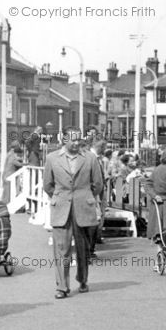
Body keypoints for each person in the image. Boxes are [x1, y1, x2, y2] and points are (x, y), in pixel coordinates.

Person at [43, 127, 104, 299]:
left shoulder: (90, 158)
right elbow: (48, 185)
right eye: (73, 140)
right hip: (61, 208)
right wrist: (59, 197)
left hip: (84, 207)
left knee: (83, 248)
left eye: (79, 140)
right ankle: (62, 286)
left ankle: (83, 279)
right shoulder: (52, 158)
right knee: (61, 249)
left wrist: (86, 196)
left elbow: (98, 184)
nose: (77, 143)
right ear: (64, 140)